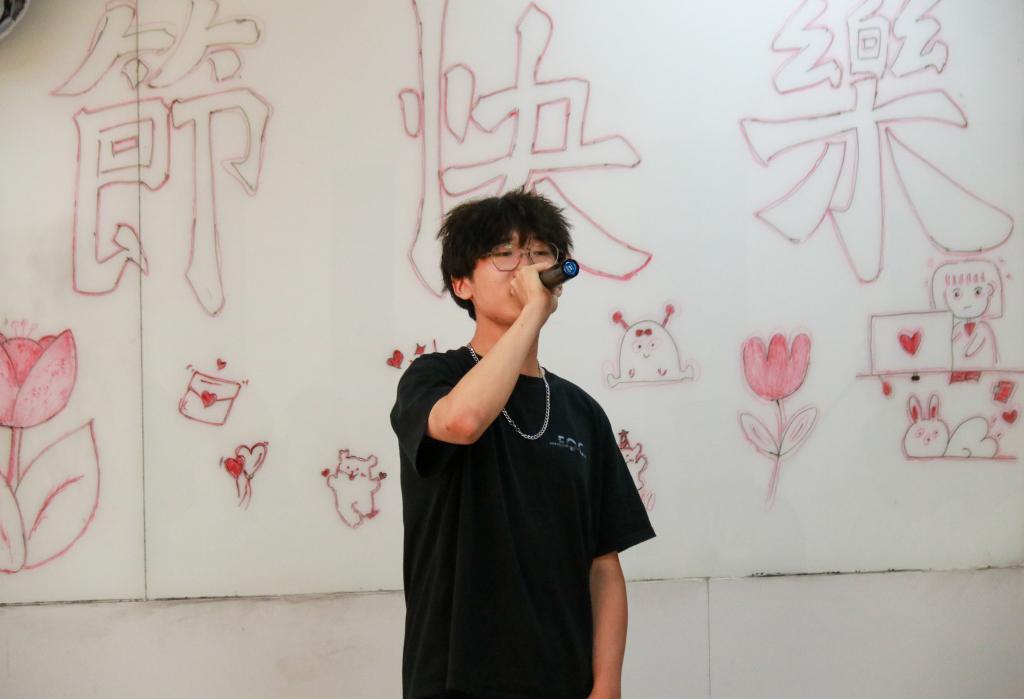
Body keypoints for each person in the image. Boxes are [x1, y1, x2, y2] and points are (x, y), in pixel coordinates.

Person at [390, 188, 656, 699]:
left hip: (564, 680)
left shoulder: (581, 411)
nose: (526, 267)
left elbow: (603, 564)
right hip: (455, 679)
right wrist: (534, 311)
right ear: (462, 283)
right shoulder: (434, 377)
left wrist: (607, 684)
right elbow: (463, 422)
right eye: (505, 254)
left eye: (538, 253)